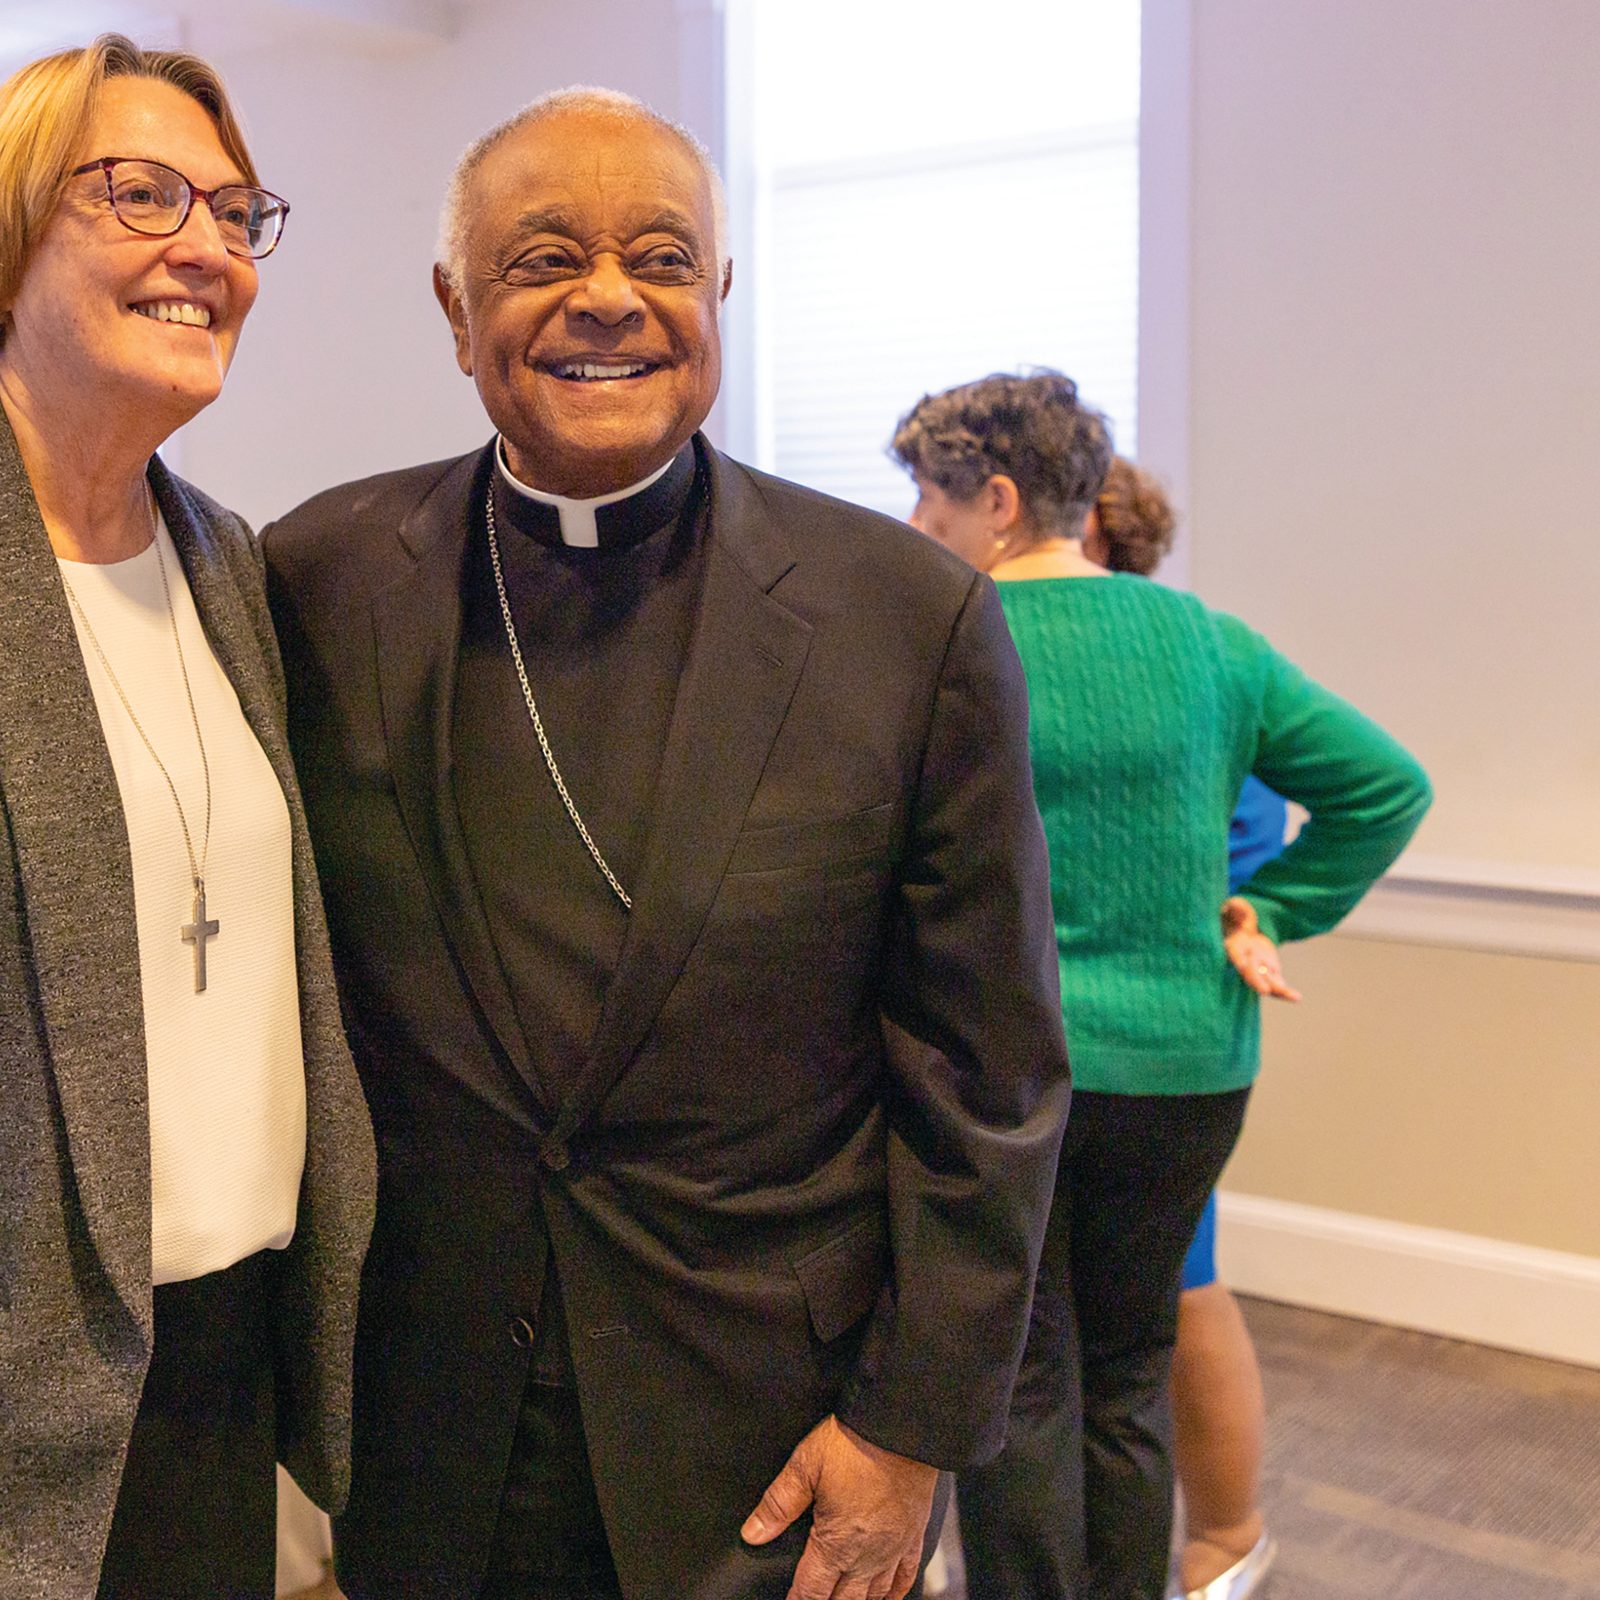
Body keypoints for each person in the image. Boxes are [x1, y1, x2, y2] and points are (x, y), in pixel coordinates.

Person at [262, 87, 1071, 1600]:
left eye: (660, 257)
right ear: (456, 307)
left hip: (772, 1435)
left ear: (717, 295)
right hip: (431, 1419)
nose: (609, 300)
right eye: (545, 257)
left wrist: (910, 1432)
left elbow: (990, 1075)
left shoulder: (909, 619)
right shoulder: (315, 581)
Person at [891, 370, 1432, 1600]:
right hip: (1190, 1068)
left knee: (1021, 1377)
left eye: (927, 498)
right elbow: (1386, 784)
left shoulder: (939, 639)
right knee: (1129, 1369)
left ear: (1000, 502)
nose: (916, 528)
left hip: (1007, 1083)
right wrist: (1275, 910)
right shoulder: (1205, 639)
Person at [0, 34, 374, 1600]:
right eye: (141, 194)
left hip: (222, 1348)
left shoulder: (230, 565)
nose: (206, 248)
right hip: (25, 1376)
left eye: (235, 212)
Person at [1087, 457, 1286, 1600]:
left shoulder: (1187, 667)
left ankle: (1224, 1541)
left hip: (1154, 1050)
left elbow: (1252, 844)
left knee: (1180, 1287)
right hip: (1113, 1047)